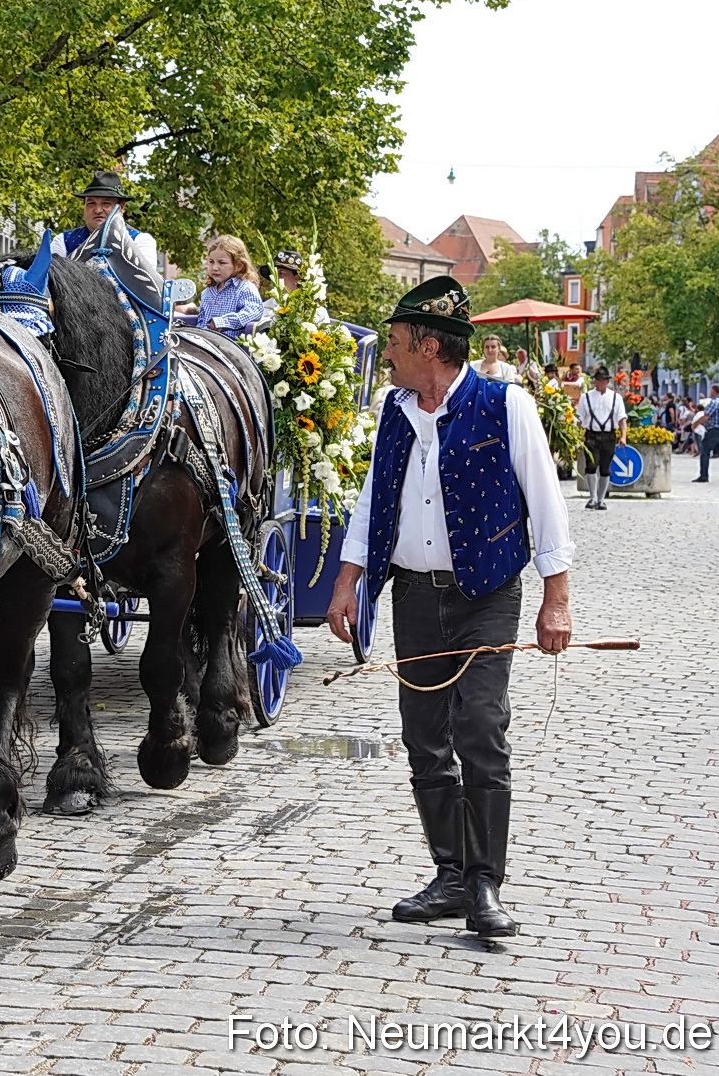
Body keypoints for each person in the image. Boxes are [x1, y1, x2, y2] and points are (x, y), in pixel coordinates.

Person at [326, 276, 573, 940]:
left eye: (398, 345)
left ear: (429, 346)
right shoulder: (394, 410)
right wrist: (349, 579)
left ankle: (485, 882)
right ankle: (450, 873)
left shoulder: (504, 404)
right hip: (415, 595)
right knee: (425, 737)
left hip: (488, 592)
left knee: (480, 727)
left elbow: (546, 501)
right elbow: (374, 499)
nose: (390, 358)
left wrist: (557, 598)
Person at [50, 170, 160, 276]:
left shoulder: (140, 241)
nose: (97, 210)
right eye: (91, 203)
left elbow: (144, 284)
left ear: (121, 208)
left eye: (106, 204)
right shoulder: (63, 241)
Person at [575, 366, 628, 510]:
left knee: (605, 468)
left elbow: (622, 419)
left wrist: (623, 436)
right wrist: (574, 435)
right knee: (591, 465)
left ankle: (601, 499)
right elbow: (579, 418)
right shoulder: (585, 397)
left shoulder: (616, 398)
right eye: (596, 380)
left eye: (600, 380)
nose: (597, 383)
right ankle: (592, 498)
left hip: (609, 435)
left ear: (606, 381)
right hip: (591, 434)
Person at [196, 235, 267, 334]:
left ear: (239, 266)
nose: (215, 267)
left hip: (229, 345)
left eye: (222, 262)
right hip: (205, 341)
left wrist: (223, 322)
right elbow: (201, 322)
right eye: (211, 262)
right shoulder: (207, 292)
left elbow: (254, 311)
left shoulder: (245, 288)